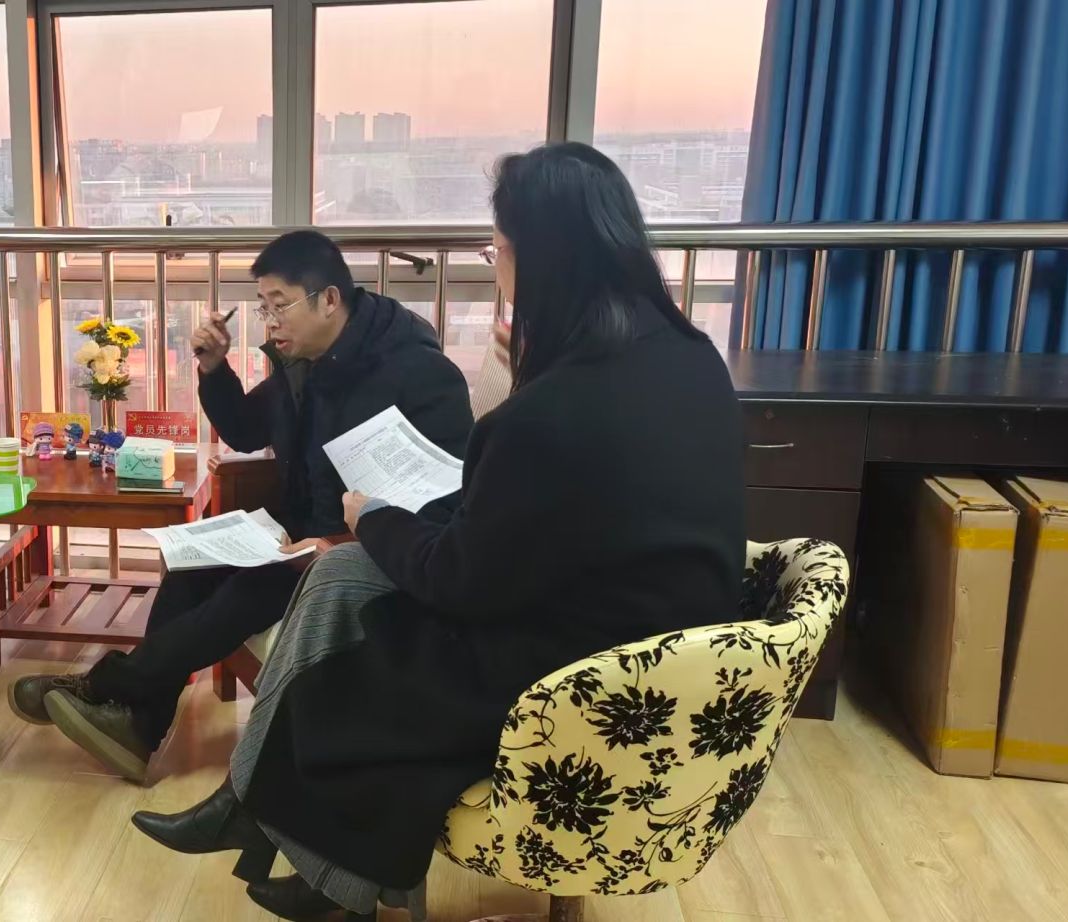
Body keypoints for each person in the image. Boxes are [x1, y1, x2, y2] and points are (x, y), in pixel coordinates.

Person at [127, 142, 746, 919]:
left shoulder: (549, 406)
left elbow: (461, 580)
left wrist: (373, 517)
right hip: (669, 646)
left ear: (542, 262)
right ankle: (282, 835)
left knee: (347, 676)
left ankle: (277, 824)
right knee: (341, 577)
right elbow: (537, 522)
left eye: (499, 251)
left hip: (586, 678)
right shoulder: (687, 356)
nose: (496, 266)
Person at [14, 230, 474, 784]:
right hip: (296, 535)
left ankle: (104, 686)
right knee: (191, 566)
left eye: (280, 305)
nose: (270, 322)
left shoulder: (419, 374)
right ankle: (139, 724)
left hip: (365, 553)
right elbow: (247, 430)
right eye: (263, 307)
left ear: (329, 299)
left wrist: (340, 541)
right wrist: (214, 368)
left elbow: (449, 505)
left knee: (246, 592)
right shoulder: (305, 361)